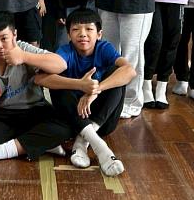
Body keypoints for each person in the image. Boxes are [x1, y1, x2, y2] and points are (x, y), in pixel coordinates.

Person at [0, 11, 71, 166]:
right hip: (0, 114)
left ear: (14, 34)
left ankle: (6, 149)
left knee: (65, 126)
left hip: (33, 109)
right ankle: (38, 142)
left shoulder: (23, 48)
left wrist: (24, 57)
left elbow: (61, 64)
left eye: (4, 38)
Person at [35, 10, 134, 174]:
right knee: (58, 80)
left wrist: (95, 90)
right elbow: (40, 79)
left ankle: (83, 141)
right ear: (68, 35)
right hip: (73, 119)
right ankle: (100, 147)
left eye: (89, 29)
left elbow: (130, 70)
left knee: (118, 73)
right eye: (76, 29)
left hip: (102, 122)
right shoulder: (65, 51)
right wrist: (80, 85)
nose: (82, 34)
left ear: (99, 34)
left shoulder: (104, 48)